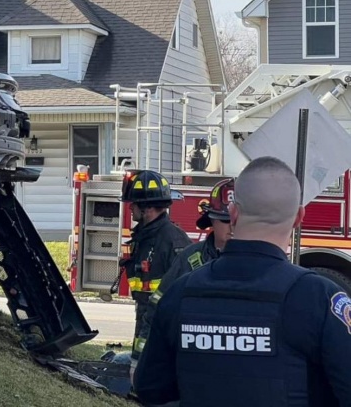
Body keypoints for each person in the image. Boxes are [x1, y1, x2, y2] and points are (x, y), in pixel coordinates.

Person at [133, 156, 351, 406]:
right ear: (299, 217)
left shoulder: (180, 293)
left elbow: (150, 389)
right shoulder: (321, 299)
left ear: (233, 213)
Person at [130, 178, 235, 379]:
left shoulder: (260, 265)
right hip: (193, 368)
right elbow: (156, 309)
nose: (233, 228)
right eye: (226, 220)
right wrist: (137, 359)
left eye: (239, 221)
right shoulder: (189, 259)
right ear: (211, 219)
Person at [118, 169, 193, 368]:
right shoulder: (145, 237)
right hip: (145, 313)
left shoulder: (173, 240)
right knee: (140, 363)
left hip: (162, 319)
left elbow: (184, 290)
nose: (130, 208)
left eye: (133, 204)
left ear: (148, 208)